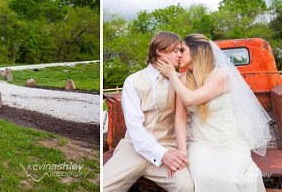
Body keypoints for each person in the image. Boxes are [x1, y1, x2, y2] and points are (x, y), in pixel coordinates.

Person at [155, 34, 270, 191]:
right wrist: (182, 151)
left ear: (196, 51)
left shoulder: (221, 76)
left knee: (232, 178)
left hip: (231, 143)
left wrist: (171, 75)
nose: (179, 54)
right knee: (201, 175)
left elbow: (190, 99)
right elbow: (180, 118)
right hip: (201, 143)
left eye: (182, 49)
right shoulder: (182, 80)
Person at [103, 31, 194, 192]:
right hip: (133, 149)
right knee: (104, 186)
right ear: (160, 51)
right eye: (175, 50)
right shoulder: (133, 81)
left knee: (186, 187)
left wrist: (174, 153)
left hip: (169, 146)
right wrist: (162, 154)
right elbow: (134, 127)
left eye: (181, 50)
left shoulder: (181, 80)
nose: (180, 55)